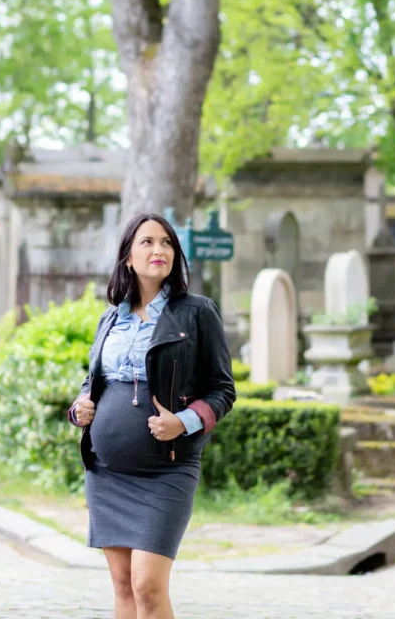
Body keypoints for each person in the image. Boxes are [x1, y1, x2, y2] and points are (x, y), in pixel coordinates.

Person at [68, 212, 236, 619]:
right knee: (124, 587)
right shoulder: (110, 318)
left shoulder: (196, 312)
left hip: (167, 469)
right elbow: (93, 383)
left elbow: (223, 390)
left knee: (148, 586)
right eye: (147, 242)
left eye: (166, 242)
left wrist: (184, 422)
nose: (158, 250)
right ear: (127, 256)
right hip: (107, 472)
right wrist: (79, 409)